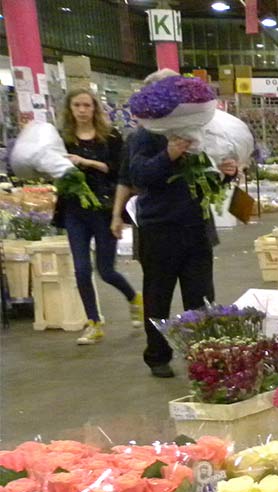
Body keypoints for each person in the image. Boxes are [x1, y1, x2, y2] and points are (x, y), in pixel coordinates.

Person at [120, 69, 226, 378]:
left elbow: (207, 185)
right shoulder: (143, 136)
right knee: (158, 295)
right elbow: (139, 176)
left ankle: (201, 354)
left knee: (201, 296)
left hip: (195, 228)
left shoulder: (197, 134)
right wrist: (168, 154)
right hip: (159, 230)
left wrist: (227, 173)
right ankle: (157, 356)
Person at [54, 89, 141, 345]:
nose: (82, 110)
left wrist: (84, 162)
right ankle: (93, 323)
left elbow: (117, 171)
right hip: (73, 211)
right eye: (77, 105)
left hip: (103, 210)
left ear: (94, 109)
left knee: (106, 270)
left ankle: (134, 298)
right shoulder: (63, 139)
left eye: (87, 105)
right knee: (81, 270)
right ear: (70, 109)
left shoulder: (110, 137)